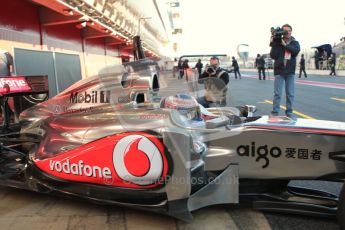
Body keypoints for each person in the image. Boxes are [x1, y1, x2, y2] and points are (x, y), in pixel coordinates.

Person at [270, 24, 300, 118]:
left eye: (289, 30)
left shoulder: (295, 43)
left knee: (290, 93)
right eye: (285, 31)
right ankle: (275, 113)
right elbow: (273, 56)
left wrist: (285, 45)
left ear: (291, 31)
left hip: (290, 71)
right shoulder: (278, 42)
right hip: (279, 71)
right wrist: (274, 43)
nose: (287, 32)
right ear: (282, 32)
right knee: (277, 94)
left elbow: (295, 52)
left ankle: (289, 112)